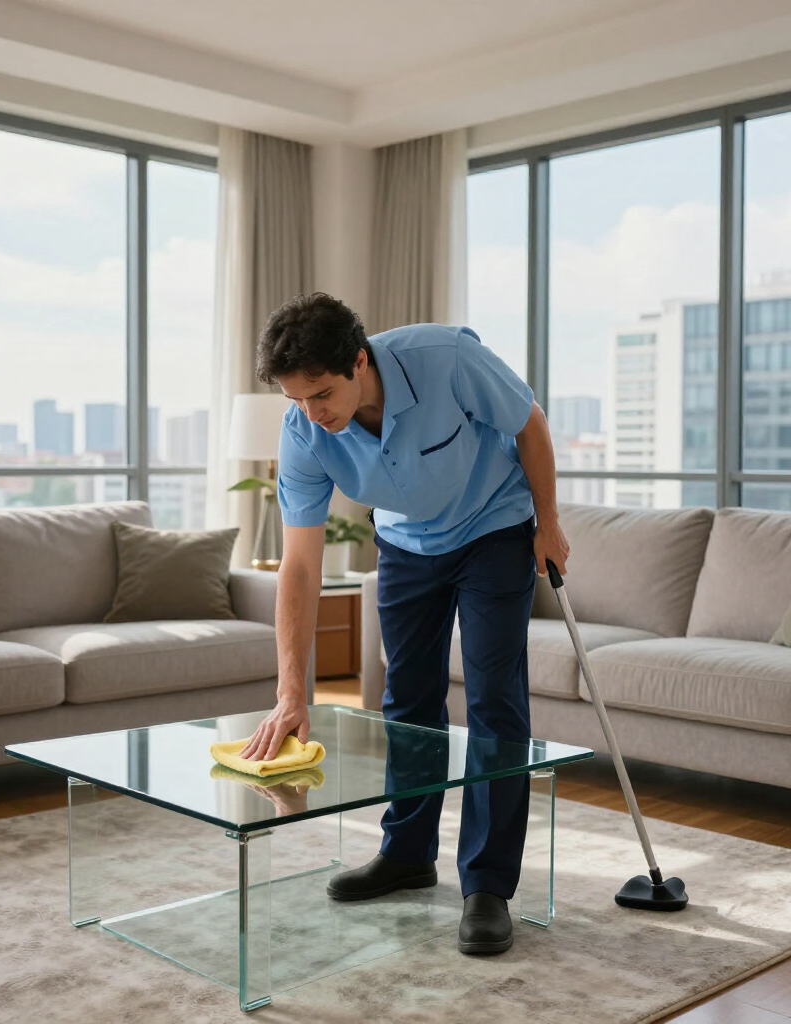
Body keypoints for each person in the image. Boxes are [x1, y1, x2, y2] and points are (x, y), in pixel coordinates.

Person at [240, 292, 569, 955]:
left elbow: (528, 422)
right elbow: (299, 569)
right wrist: (290, 693)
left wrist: (550, 523)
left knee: (493, 700)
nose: (313, 413)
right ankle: (408, 852)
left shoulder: (443, 358)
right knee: (407, 699)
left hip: (493, 529)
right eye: (296, 400)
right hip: (407, 545)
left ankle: (487, 884)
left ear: (359, 361)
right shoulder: (305, 431)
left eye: (322, 394)